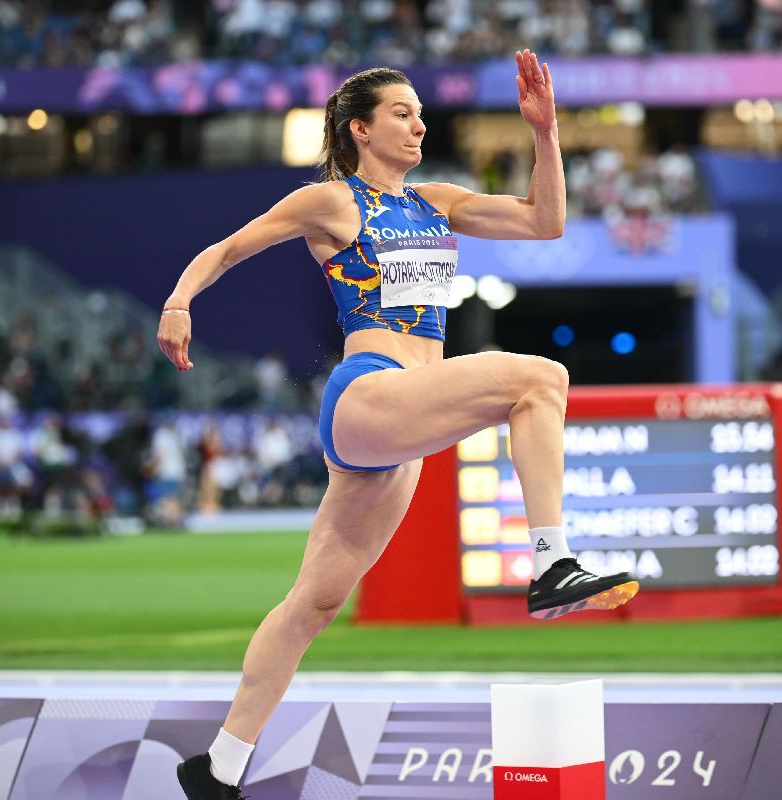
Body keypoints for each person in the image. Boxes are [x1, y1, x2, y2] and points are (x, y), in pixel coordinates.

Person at [156, 51, 639, 800]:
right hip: (369, 390)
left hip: (406, 418)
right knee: (541, 378)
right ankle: (550, 563)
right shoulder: (333, 202)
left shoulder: (436, 201)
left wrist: (544, 134)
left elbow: (545, 223)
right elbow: (229, 248)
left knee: (314, 604)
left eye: (421, 113)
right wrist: (179, 302)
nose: (420, 124)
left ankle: (217, 766)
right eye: (403, 113)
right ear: (360, 128)